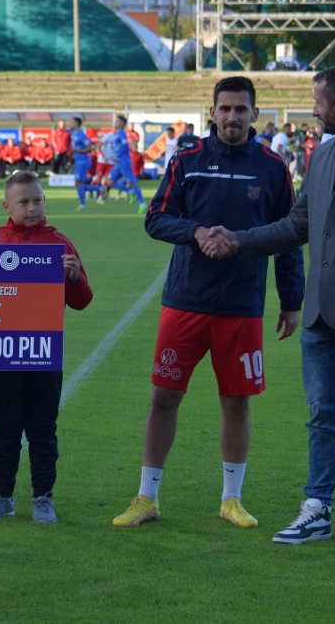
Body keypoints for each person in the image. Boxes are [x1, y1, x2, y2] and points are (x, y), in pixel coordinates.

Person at [205, 66, 335, 555]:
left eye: (317, 101)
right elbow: (297, 225)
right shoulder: (322, 157)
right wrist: (240, 240)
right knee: (321, 415)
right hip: (322, 313)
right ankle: (317, 509)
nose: (313, 109)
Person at [112, 76, 305, 530]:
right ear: (212, 112)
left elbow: (291, 237)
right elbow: (156, 218)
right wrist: (197, 232)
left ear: (255, 114)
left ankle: (231, 500)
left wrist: (292, 298)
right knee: (164, 396)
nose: (233, 117)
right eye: (225, 109)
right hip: (186, 300)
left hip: (241, 305)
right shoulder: (187, 160)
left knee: (236, 401)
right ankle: (146, 497)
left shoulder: (273, 169)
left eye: (241, 109)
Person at [0, 171, 93, 523]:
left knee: (43, 428)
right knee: (5, 428)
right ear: (6, 205)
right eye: (23, 202)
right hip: (2, 354)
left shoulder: (60, 243)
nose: (31, 208)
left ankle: (43, 497)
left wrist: (74, 278)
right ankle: (2, 497)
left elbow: (82, 300)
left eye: (37, 200)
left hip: (43, 352)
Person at [104, 115, 147, 214]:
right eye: (116, 121)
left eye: (118, 121)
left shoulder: (122, 134)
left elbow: (125, 147)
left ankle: (143, 204)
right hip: (118, 163)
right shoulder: (116, 134)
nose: (115, 122)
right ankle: (129, 191)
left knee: (132, 183)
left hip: (124, 162)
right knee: (110, 182)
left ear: (122, 124)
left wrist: (117, 155)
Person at [69, 116, 97, 210]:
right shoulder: (72, 133)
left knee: (78, 183)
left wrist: (77, 150)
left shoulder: (81, 135)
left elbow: (89, 147)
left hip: (84, 161)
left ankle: (82, 204)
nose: (70, 124)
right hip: (78, 161)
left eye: (72, 122)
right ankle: (99, 189)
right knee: (79, 183)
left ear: (76, 124)